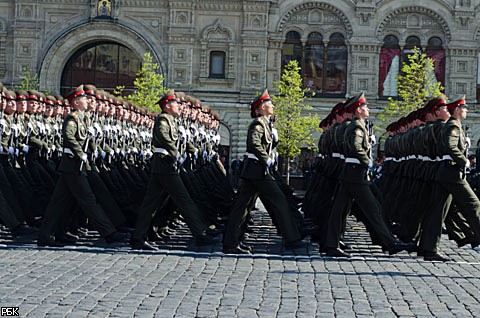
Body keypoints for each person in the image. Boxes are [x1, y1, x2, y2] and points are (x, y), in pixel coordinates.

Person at [324, 92, 414, 257]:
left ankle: (331, 244)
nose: (367, 108)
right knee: (373, 209)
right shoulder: (357, 126)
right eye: (364, 106)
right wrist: (367, 161)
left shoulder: (356, 125)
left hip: (350, 173)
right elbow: (356, 147)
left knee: (340, 210)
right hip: (356, 174)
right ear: (358, 110)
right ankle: (390, 243)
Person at [37, 85, 128, 247]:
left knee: (60, 203)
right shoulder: (72, 118)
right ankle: (109, 233)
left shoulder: (82, 118)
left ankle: (50, 234)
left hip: (74, 166)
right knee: (88, 200)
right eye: (84, 99)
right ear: (76, 102)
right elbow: (69, 137)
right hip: (73, 165)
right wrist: (80, 153)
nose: (87, 101)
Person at [130, 89, 218, 250]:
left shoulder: (171, 120)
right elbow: (164, 138)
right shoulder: (163, 120)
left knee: (151, 204)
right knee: (184, 200)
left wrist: (191, 151)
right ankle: (200, 234)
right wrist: (176, 153)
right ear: (167, 106)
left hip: (166, 165)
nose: (179, 106)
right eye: (175, 104)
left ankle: (139, 236)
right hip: (165, 164)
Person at [222, 89, 304, 254]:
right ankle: (292, 238)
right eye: (269, 104)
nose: (272, 106)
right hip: (257, 170)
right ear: (261, 108)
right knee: (278, 200)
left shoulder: (266, 124)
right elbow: (254, 143)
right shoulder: (258, 123)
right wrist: (265, 157)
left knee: (242, 207)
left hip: (255, 171)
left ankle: (231, 242)